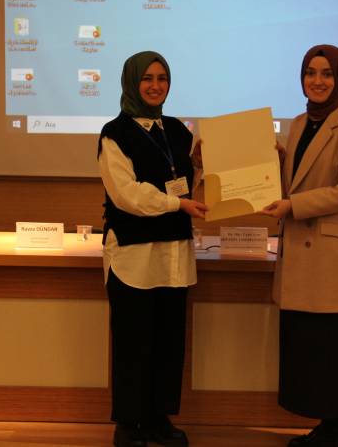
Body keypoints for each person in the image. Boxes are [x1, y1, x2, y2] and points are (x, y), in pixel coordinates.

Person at [261, 45, 338, 447]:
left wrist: (293, 205)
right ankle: (327, 431)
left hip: (331, 255)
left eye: (326, 73)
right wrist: (269, 160)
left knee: (330, 347)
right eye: (310, 72)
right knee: (308, 347)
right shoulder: (298, 124)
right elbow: (298, 179)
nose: (317, 81)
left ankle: (334, 431)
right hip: (303, 252)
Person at [97, 51, 207, 447]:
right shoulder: (114, 133)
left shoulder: (177, 130)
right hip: (133, 257)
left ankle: (159, 419)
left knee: (168, 343)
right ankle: (128, 425)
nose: (155, 86)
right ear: (131, 82)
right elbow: (127, 195)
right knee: (133, 344)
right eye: (147, 78)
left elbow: (190, 183)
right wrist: (177, 203)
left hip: (173, 255)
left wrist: (203, 165)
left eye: (162, 78)